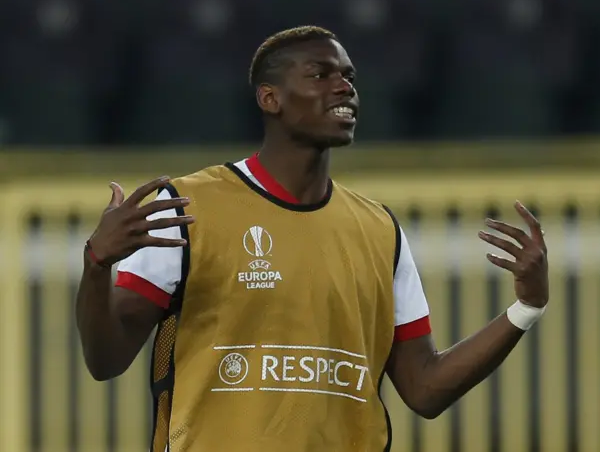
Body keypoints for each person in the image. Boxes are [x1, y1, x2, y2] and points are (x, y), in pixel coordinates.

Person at [76, 26, 549, 452]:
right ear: (270, 98)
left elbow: (425, 389)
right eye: (320, 75)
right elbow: (105, 359)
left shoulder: (380, 230)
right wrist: (97, 264)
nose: (344, 86)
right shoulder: (185, 207)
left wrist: (526, 308)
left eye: (348, 76)